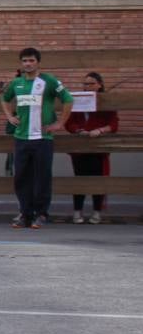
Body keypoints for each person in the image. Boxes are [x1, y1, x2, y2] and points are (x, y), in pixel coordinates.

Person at [1, 48, 73, 229]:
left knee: (42, 177)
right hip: (21, 138)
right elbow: (4, 99)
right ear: (21, 63)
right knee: (21, 177)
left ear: (38, 62)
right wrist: (10, 116)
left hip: (43, 138)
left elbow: (68, 99)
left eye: (31, 60)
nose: (28, 64)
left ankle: (41, 214)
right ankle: (25, 213)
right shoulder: (16, 83)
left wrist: (60, 123)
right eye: (25, 61)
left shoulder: (48, 81)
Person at [64, 71, 118, 224]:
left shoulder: (107, 102)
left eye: (91, 84)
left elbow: (113, 124)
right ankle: (77, 212)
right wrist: (78, 130)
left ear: (99, 85)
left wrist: (100, 130)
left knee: (98, 181)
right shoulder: (78, 100)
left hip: (98, 147)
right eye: (85, 84)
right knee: (79, 180)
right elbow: (69, 122)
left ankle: (96, 212)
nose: (87, 87)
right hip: (80, 148)